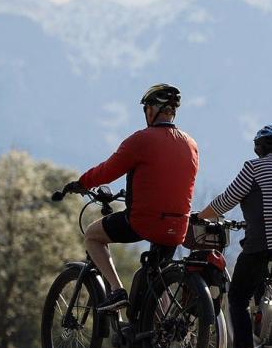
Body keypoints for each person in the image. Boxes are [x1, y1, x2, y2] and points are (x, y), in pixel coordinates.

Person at [63, 84, 199, 312]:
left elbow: (108, 170)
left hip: (144, 222)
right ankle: (162, 336)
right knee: (155, 278)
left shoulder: (141, 140)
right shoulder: (191, 144)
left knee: (92, 236)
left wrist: (82, 183)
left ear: (151, 111)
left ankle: (117, 290)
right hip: (178, 226)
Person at [194, 125, 272, 348]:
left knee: (237, 296)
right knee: (260, 284)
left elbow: (227, 199)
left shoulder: (254, 167)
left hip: (267, 238)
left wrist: (200, 216)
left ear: (259, 147)